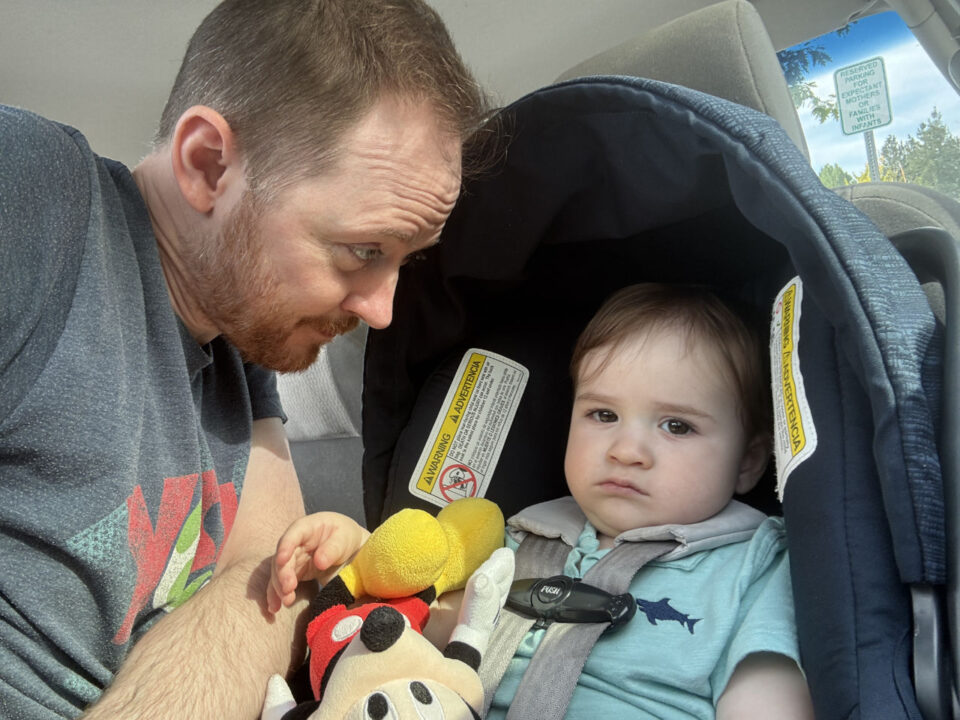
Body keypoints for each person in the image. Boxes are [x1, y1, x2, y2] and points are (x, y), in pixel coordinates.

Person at [0, 1, 489, 718]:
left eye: (403, 262)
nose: (380, 310)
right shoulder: (36, 193)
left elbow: (272, 586)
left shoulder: (242, 347)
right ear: (208, 164)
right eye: (362, 250)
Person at [269, 283, 815, 719]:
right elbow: (426, 623)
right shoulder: (522, 536)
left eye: (677, 426)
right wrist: (357, 557)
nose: (626, 450)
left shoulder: (757, 565)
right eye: (603, 415)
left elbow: (767, 696)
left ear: (748, 461)